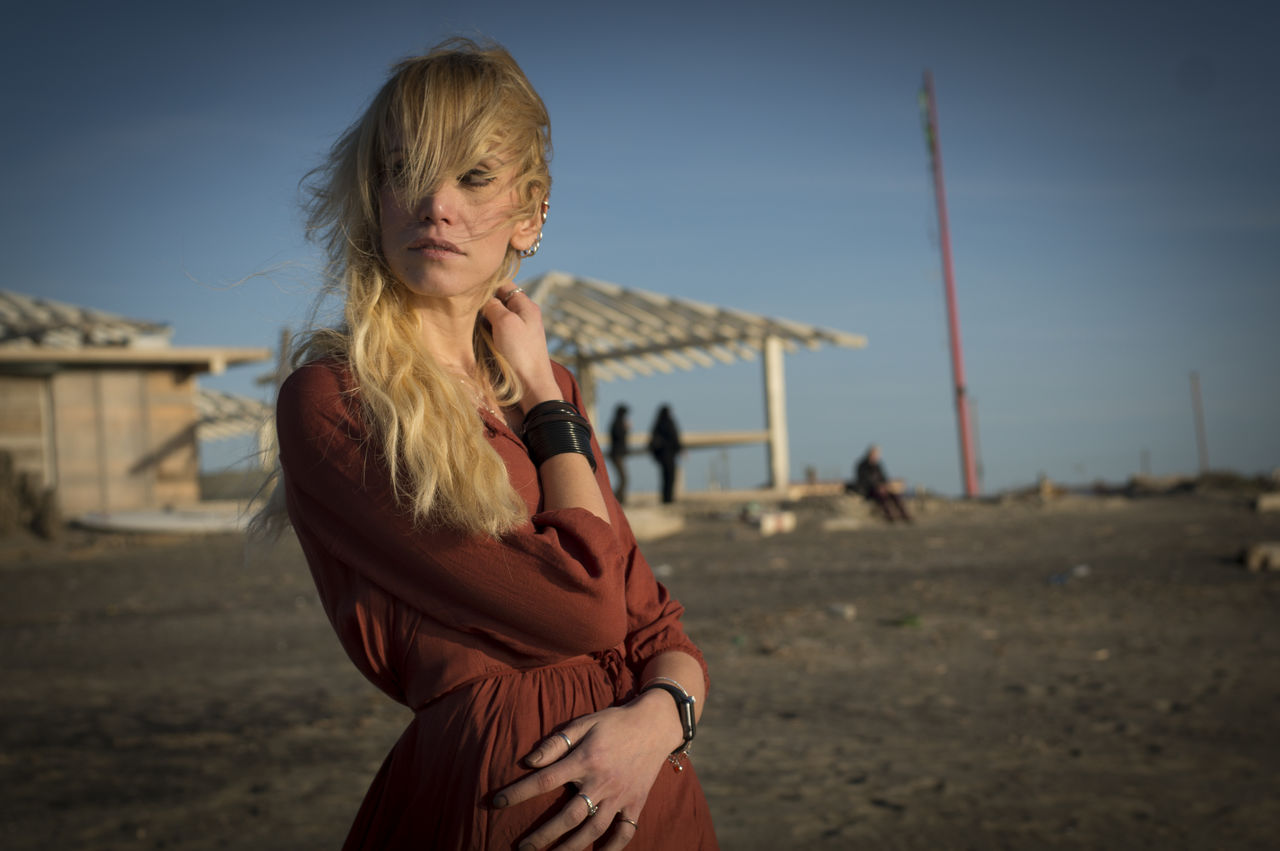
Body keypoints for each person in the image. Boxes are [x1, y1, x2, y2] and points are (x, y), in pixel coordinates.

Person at [255, 39, 716, 850]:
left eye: (472, 177)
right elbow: (584, 605)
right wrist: (549, 407)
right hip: (511, 803)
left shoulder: (551, 389)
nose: (436, 205)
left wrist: (658, 722)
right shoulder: (334, 400)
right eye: (405, 171)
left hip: (656, 798)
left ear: (529, 214)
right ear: (374, 200)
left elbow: (660, 631)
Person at [848, 444, 912, 523]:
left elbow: (884, 478)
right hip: (868, 490)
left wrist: (885, 485)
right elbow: (863, 480)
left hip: (881, 488)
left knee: (895, 495)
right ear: (869, 454)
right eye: (874, 454)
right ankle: (889, 516)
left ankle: (904, 515)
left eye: (877, 454)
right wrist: (877, 486)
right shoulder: (862, 465)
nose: (876, 456)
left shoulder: (878, 465)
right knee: (882, 496)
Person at [648, 405, 682, 505]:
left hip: (663, 456)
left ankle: (666, 498)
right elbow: (675, 438)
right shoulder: (669, 423)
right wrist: (679, 449)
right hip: (669, 455)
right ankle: (668, 498)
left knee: (665, 477)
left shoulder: (657, 424)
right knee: (670, 477)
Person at [608, 403, 630, 505]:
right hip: (616, 454)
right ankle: (615, 499)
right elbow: (618, 437)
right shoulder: (617, 423)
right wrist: (626, 429)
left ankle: (618, 500)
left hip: (618, 454)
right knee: (623, 478)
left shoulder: (617, 422)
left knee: (623, 478)